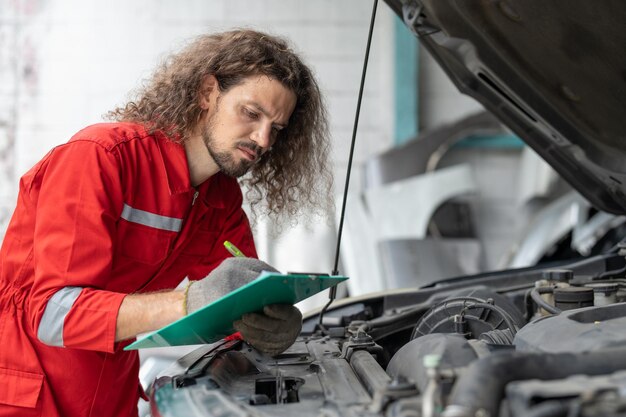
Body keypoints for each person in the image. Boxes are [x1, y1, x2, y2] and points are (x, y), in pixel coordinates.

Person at [0, 29, 332, 417]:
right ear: (208, 93)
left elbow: (242, 301)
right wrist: (187, 302)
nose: (262, 139)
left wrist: (269, 323)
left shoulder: (220, 202)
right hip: (26, 388)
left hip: (110, 393)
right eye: (251, 113)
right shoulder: (100, 159)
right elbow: (55, 316)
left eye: (276, 128)